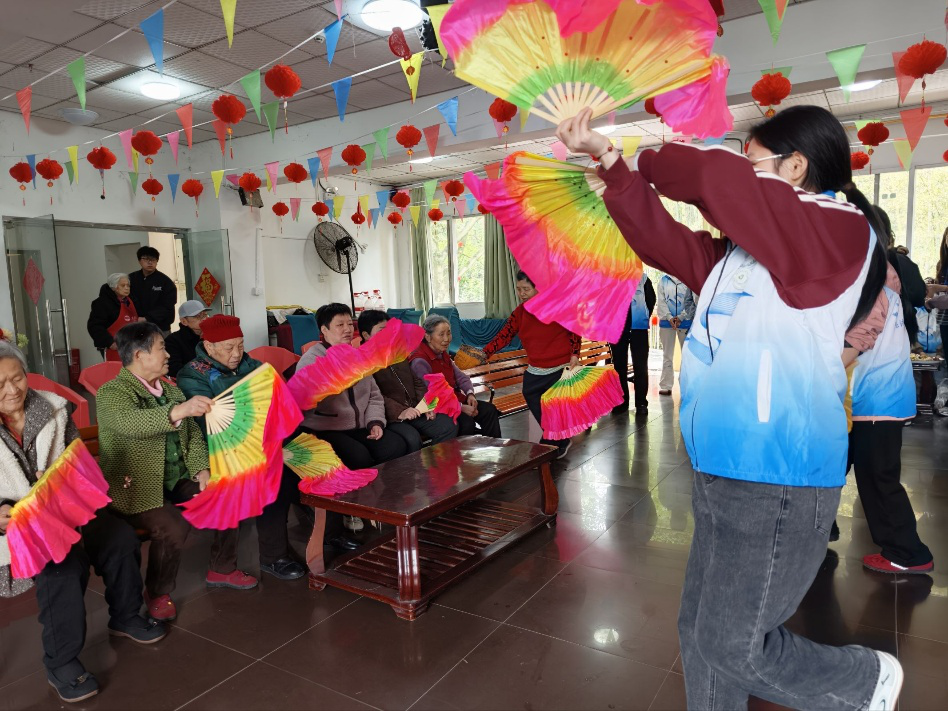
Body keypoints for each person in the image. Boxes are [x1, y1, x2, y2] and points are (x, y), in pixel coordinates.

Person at [556, 105, 900, 710]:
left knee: (731, 643)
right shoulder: (740, 256)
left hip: (778, 471)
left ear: (796, 166)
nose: (743, 169)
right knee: (700, 632)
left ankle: (864, 680)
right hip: (720, 462)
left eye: (754, 160)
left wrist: (639, 157)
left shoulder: (840, 230)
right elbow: (663, 241)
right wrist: (612, 168)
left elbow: (716, 180)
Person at [0, 341, 165, 704]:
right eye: (0, 385)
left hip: (67, 507)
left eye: (17, 378)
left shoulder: (52, 409)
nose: (12, 390)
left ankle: (125, 617)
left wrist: (65, 481)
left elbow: (77, 459)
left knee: (120, 539)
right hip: (23, 526)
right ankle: (61, 662)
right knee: (63, 567)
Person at [96, 322, 257, 623]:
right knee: (172, 525)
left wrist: (201, 470)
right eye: (161, 348)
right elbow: (129, 423)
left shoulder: (169, 389)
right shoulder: (112, 393)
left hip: (175, 478)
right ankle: (158, 592)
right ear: (140, 355)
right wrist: (178, 412)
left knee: (226, 493)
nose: (168, 354)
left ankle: (222, 568)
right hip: (136, 486)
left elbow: (193, 436)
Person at [176, 314, 306, 581]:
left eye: (240, 345)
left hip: (263, 441)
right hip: (220, 450)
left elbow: (276, 401)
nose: (236, 354)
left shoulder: (253, 366)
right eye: (228, 347)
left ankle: (327, 535)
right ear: (209, 346)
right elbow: (208, 424)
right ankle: (274, 557)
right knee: (271, 478)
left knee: (305, 463)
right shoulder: (192, 374)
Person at [296, 303, 408, 548]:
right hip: (326, 428)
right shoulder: (311, 360)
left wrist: (375, 422)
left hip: (360, 425)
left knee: (395, 445)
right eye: (340, 325)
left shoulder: (358, 356)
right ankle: (351, 510)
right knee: (358, 455)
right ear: (324, 330)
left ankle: (383, 501)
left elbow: (375, 396)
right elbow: (304, 401)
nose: (347, 329)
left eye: (350, 324)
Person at [848, 266, 934, 574]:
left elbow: (854, 345)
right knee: (860, 469)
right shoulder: (887, 289)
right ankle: (820, 528)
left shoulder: (872, 292)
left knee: (878, 478)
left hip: (875, 398)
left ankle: (908, 553)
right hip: (884, 396)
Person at [480, 271, 579, 457]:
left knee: (553, 407)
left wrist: (575, 353)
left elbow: (574, 328)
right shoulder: (521, 312)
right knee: (531, 394)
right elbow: (505, 335)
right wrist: (485, 353)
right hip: (536, 367)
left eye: (526, 289)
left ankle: (554, 441)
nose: (522, 293)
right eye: (518, 289)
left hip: (559, 367)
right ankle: (557, 438)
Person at [357, 309, 458, 452]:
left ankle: (437, 464)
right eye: (382, 331)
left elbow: (416, 381)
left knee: (448, 425)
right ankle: (416, 467)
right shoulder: (363, 362)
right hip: (391, 416)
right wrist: (401, 411)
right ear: (366, 335)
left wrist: (425, 405)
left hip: (414, 409)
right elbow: (374, 396)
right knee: (412, 439)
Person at [410, 315, 502, 438]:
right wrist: (460, 407)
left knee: (489, 410)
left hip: (455, 399)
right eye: (441, 334)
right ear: (428, 337)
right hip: (437, 407)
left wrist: (470, 394)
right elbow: (432, 395)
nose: (446, 339)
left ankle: (495, 446)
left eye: (448, 333)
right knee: (466, 423)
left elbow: (461, 377)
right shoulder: (420, 361)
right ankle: (465, 451)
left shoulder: (442, 353)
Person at [873, 206, 926, 347]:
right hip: (900, 336)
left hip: (868, 349)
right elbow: (919, 296)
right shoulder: (902, 262)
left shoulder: (858, 269)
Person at [609, 275, 655, 415]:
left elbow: (651, 300)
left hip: (639, 328)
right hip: (617, 329)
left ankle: (641, 403)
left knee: (640, 366)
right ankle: (621, 402)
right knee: (619, 367)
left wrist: (643, 316)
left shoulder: (643, 279)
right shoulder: (611, 277)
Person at [86, 273, 143, 361]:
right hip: (114, 347)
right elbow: (95, 326)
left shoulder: (132, 301)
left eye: (128, 285)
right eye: (123, 285)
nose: (126, 288)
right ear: (113, 287)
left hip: (133, 346)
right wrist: (110, 342)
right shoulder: (101, 303)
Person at [655, 273, 696, 396]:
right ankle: (666, 385)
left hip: (685, 323)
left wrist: (681, 317)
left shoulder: (689, 279)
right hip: (666, 323)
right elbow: (661, 301)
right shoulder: (663, 280)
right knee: (667, 355)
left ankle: (685, 385)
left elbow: (692, 301)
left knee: (686, 355)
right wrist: (669, 317)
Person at [128, 246, 176, 334]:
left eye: (153, 259)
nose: (150, 262)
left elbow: (167, 306)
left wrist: (147, 318)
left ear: (157, 261)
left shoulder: (165, 281)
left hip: (160, 327)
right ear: (139, 261)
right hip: (136, 325)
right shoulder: (131, 279)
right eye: (146, 259)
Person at [164, 300, 211, 377]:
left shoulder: (212, 336)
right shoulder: (172, 341)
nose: (204, 319)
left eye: (205, 315)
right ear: (184, 321)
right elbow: (174, 369)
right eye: (198, 316)